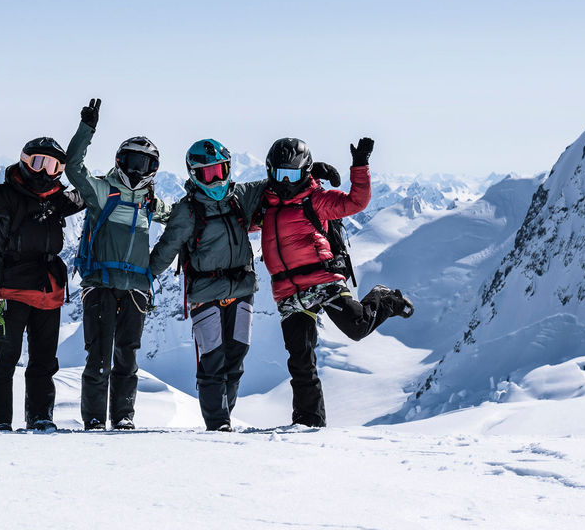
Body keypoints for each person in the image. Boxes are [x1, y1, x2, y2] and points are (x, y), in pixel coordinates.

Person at [149, 139, 338, 431]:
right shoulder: (186, 212)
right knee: (213, 360)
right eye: (207, 174)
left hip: (241, 288)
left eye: (220, 170)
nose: (216, 179)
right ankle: (219, 424)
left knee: (235, 357)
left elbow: (278, 180)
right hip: (205, 292)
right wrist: (142, 278)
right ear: (194, 176)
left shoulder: (241, 196)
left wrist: (313, 174)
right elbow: (165, 250)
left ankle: (224, 416)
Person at [257, 136, 415, 427]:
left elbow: (357, 202)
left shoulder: (315, 200)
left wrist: (360, 165)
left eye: (293, 174)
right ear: (270, 172)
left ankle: (383, 298)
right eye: (281, 174)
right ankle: (308, 422)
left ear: (304, 172)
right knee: (300, 360)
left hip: (323, 279)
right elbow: (244, 221)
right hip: (288, 292)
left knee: (357, 328)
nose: (286, 181)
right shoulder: (265, 204)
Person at [0, 122, 85, 433]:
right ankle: (0, 421)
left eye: (53, 165)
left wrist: (86, 137)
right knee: (6, 359)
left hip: (49, 293)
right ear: (25, 162)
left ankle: (40, 418)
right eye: (38, 162)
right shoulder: (6, 197)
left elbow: (88, 194)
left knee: (43, 362)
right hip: (12, 292)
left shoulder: (58, 200)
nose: (44, 171)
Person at [65, 98, 168, 430]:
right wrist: (87, 128)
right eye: (131, 161)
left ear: (153, 169)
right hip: (101, 285)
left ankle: (123, 416)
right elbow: (73, 168)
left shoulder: (151, 204)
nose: (137, 170)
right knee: (98, 357)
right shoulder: (101, 191)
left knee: (128, 357)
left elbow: (184, 216)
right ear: (119, 161)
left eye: (145, 164)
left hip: (136, 290)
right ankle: (94, 419)